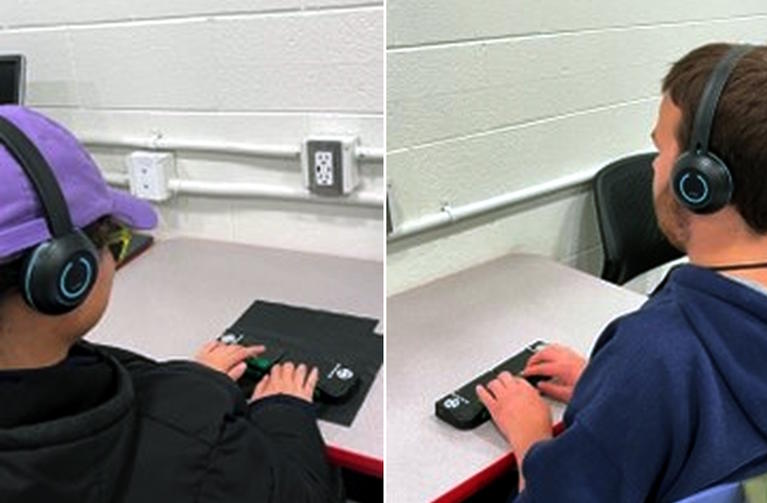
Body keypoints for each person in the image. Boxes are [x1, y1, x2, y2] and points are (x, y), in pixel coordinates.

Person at [0, 105, 340, 502]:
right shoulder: (199, 450)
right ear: (65, 276)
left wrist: (193, 387)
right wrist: (285, 411)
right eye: (114, 243)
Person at [477, 42, 767, 502]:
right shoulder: (658, 368)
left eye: (660, 148)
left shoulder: (653, 355)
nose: (653, 165)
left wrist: (532, 436)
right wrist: (608, 394)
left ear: (700, 182)